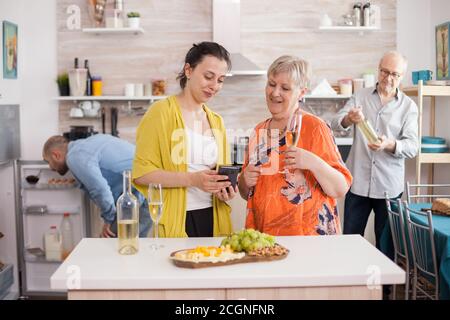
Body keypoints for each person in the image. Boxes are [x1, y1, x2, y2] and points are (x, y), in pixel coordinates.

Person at [132, 41, 238, 238]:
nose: (214, 86)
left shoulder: (217, 121)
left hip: (214, 219)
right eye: (208, 76)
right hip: (177, 219)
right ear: (188, 70)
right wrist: (192, 179)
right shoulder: (160, 112)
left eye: (221, 80)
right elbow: (142, 174)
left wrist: (225, 190)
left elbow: (219, 175)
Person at [238, 55, 352, 236]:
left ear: (301, 93)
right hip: (265, 239)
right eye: (271, 84)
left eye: (285, 88)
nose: (275, 93)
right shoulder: (258, 131)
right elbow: (246, 193)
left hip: (308, 242)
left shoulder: (315, 127)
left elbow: (340, 187)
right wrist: (244, 180)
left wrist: (313, 162)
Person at [331, 51, 418, 249]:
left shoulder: (409, 107)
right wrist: (349, 118)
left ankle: (384, 282)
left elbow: (413, 146)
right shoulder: (360, 96)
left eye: (394, 74)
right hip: (358, 183)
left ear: (401, 76)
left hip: (389, 187)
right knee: (351, 243)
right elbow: (336, 122)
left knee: (386, 246)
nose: (388, 78)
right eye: (384, 71)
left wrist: (389, 144)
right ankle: (352, 280)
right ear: (378, 71)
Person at [42, 134, 152, 238]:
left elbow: (100, 189)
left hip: (137, 195)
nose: (51, 168)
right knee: (131, 248)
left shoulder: (74, 156)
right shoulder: (84, 146)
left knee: (113, 244)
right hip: (145, 190)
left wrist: (109, 219)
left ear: (56, 155)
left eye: (48, 162)